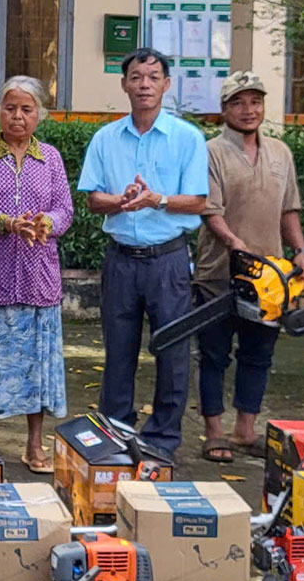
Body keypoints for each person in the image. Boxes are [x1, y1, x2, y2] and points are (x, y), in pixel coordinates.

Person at [78, 48, 209, 458]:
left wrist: (157, 200)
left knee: (172, 352)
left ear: (166, 85)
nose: (145, 85)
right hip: (120, 260)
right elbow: (93, 198)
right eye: (136, 77)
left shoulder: (188, 138)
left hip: (168, 260)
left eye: (153, 78)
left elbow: (199, 201)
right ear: (124, 84)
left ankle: (162, 439)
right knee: (118, 351)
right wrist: (122, 200)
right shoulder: (105, 138)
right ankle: (116, 434)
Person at [194, 71, 304, 464]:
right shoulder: (209, 150)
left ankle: (246, 429)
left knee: (258, 353)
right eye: (239, 103)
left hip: (270, 276)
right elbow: (209, 209)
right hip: (218, 271)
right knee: (213, 354)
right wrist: (234, 244)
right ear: (224, 109)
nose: (249, 110)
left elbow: (288, 208)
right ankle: (214, 432)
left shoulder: (281, 152)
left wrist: (300, 251)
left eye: (255, 102)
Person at [0, 76, 72, 473]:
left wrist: (46, 222)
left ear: (40, 113)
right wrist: (6, 222)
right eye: (10, 107)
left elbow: (65, 210)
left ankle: (34, 446)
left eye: (27, 109)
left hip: (37, 275)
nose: (18, 116)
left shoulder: (52, 158)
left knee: (35, 364)